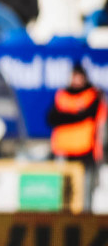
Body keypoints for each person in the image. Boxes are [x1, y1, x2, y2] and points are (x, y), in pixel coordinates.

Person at [46, 63, 106, 210]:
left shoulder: (92, 95)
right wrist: (75, 115)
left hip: (86, 152)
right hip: (65, 152)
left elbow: (87, 115)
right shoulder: (62, 95)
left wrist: (67, 116)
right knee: (65, 194)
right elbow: (51, 118)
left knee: (85, 194)